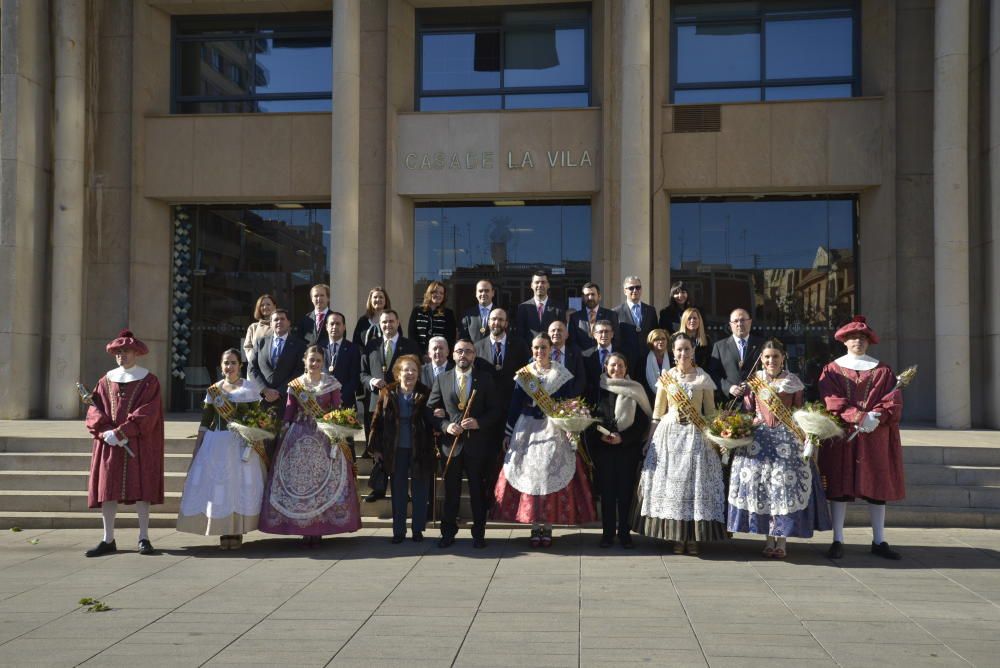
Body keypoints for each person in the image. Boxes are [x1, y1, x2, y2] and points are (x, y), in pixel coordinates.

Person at [727, 339, 832, 558]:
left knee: (782, 489)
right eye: (767, 357)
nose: (771, 360)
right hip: (760, 440)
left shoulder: (793, 381)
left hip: (786, 440)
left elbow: (798, 412)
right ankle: (768, 539)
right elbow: (749, 410)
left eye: (775, 356)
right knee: (764, 489)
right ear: (762, 360)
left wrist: (806, 438)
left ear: (783, 357)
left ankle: (782, 541)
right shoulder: (755, 381)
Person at [493, 334, 597, 547]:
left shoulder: (560, 373)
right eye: (536, 348)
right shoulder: (525, 374)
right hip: (527, 428)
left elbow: (568, 403)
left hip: (553, 428)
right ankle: (534, 526)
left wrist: (571, 428)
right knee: (531, 476)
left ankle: (547, 525)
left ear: (551, 349)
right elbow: (514, 405)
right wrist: (508, 433)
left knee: (548, 474)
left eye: (543, 348)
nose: (539, 352)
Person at [819, 316, 906, 560]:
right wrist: (858, 416)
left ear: (869, 342)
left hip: (875, 437)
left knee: (877, 486)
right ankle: (838, 539)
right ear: (844, 341)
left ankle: (879, 540)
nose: (858, 341)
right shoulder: (832, 369)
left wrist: (878, 416)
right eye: (853, 337)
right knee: (839, 486)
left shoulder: (883, 370)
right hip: (842, 436)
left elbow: (894, 401)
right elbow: (831, 400)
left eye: (862, 338)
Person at [259, 345, 361, 546]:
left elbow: (336, 409)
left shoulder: (331, 383)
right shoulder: (295, 385)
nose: (314, 364)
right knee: (300, 483)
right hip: (298, 436)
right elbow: (289, 410)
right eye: (311, 360)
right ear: (304, 361)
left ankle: (320, 527)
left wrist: (336, 428)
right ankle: (302, 527)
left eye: (318, 361)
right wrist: (284, 431)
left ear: (323, 363)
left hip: (324, 436)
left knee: (323, 481)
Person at [634, 333, 726, 555]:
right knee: (672, 486)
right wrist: (649, 440)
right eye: (679, 350)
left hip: (696, 437)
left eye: (686, 349)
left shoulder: (703, 378)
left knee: (694, 486)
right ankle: (677, 536)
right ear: (672, 353)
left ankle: (693, 537)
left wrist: (718, 437)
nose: (683, 353)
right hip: (669, 436)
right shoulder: (667, 377)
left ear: (693, 350)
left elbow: (711, 412)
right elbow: (658, 412)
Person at [83, 330, 164, 557]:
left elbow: (149, 412)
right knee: (107, 489)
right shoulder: (105, 380)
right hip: (110, 445)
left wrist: (124, 431)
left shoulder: (149, 381)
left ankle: (144, 537)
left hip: (138, 443)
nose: (122, 356)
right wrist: (105, 431)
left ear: (136, 353)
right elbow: (94, 409)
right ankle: (108, 539)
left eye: (126, 351)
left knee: (142, 490)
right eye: (118, 352)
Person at [177, 349, 267, 550]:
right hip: (216, 444)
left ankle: (236, 531)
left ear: (240, 366)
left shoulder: (250, 389)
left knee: (238, 487)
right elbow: (205, 422)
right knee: (220, 489)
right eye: (226, 363)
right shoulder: (214, 391)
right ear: (221, 365)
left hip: (241, 446)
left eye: (233, 363)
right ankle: (223, 531)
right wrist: (197, 448)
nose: (229, 367)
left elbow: (258, 420)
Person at [429, 338, 503, 548]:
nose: (464, 355)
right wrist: (445, 426)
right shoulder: (442, 379)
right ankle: (448, 533)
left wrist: (479, 422)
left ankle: (479, 534)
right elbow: (430, 409)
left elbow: (496, 410)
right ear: (452, 354)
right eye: (460, 351)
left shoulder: (485, 379)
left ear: (474, 356)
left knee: (477, 492)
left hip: (477, 446)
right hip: (450, 446)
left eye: (468, 352)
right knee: (451, 492)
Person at [583, 352, 651, 548]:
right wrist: (600, 434)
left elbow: (642, 423)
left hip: (626, 450)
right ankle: (607, 534)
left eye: (621, 365)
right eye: (613, 365)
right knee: (607, 494)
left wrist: (624, 437)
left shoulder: (636, 389)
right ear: (606, 367)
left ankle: (624, 534)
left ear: (626, 368)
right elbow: (589, 418)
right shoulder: (597, 389)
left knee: (625, 493)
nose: (617, 369)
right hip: (603, 450)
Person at [367, 354, 436, 543]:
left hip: (419, 448)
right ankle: (399, 531)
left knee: (420, 490)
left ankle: (417, 530)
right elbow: (377, 422)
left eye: (414, 370)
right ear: (398, 373)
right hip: (395, 449)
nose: (410, 373)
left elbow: (432, 420)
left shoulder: (426, 393)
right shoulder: (388, 392)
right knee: (398, 490)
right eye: (406, 369)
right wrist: (376, 449)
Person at [360, 310, 422, 501]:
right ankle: (378, 487)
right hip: (376, 404)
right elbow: (362, 373)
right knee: (378, 444)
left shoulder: (409, 345)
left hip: (402, 404)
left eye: (391, 322)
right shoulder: (371, 345)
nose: (388, 325)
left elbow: (417, 372)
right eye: (384, 322)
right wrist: (371, 381)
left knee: (401, 448)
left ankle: (407, 489)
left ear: (398, 322)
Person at [249, 309, 306, 437]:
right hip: (263, 399)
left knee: (283, 439)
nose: (279, 322)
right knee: (264, 439)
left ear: (289, 323)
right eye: (275, 319)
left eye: (282, 319)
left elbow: (299, 371)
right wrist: (264, 389)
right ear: (270, 324)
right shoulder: (260, 342)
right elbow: (252, 368)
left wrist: (280, 391)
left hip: (287, 400)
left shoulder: (299, 345)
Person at [708, 308, 765, 403]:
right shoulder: (719, 346)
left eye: (743, 320)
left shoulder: (762, 344)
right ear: (730, 325)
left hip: (757, 402)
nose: (739, 324)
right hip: (729, 403)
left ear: (750, 322)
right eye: (735, 321)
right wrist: (729, 388)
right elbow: (713, 374)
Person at [613, 276, 657, 373]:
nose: (635, 290)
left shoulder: (650, 310)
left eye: (638, 287)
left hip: (647, 359)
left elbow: (655, 334)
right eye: (631, 288)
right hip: (626, 361)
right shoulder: (616, 312)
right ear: (625, 291)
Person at [514, 270, 566, 345]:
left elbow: (561, 332)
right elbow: (520, 334)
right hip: (529, 352)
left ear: (548, 285)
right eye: (537, 282)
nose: (540, 285)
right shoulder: (523, 307)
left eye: (543, 282)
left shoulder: (559, 307)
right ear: (531, 285)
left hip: (551, 352)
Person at [408, 280, 458, 354]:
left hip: (440, 355)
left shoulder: (448, 313)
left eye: (441, 293)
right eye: (435, 292)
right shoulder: (417, 311)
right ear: (429, 293)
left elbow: (451, 338)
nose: (438, 295)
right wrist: (421, 354)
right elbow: (412, 335)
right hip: (419, 355)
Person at [324, 311, 361, 408]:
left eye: (338, 324)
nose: (334, 327)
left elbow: (355, 378)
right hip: (322, 402)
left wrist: (339, 398)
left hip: (346, 402)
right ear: (326, 327)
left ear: (344, 327)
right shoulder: (319, 348)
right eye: (332, 324)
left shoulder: (353, 349)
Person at [568, 282, 619, 351]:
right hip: (582, 359)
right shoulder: (575, 317)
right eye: (587, 295)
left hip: (604, 357)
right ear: (583, 298)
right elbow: (572, 341)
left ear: (599, 296)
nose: (590, 297)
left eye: (593, 294)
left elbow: (616, 339)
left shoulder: (610, 315)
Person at [582, 319, 620, 404]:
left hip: (616, 401)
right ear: (594, 335)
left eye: (607, 331)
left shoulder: (622, 354)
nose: (604, 335)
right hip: (592, 402)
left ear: (612, 334)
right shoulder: (585, 355)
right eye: (600, 332)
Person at [548, 320, 586, 398]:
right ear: (548, 334)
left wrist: (569, 399)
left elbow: (580, 379)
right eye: (553, 330)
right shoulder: (542, 353)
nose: (556, 333)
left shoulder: (575, 353)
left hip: (569, 402)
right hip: (546, 401)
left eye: (559, 330)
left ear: (567, 335)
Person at [243, 293, 276, 367]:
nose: (265, 307)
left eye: (268, 304)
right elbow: (247, 347)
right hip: (255, 368)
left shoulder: (279, 326)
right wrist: (254, 361)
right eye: (262, 305)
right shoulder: (253, 327)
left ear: (274, 306)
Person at [459, 279, 497, 344]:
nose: (483, 293)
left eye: (487, 291)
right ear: (476, 294)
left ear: (493, 293)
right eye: (480, 291)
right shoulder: (467, 315)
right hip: (474, 353)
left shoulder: (501, 314)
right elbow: (463, 340)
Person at [298, 283, 331, 348]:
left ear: (328, 298)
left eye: (322, 295)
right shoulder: (305, 319)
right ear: (312, 299)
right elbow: (300, 340)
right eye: (316, 296)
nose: (319, 299)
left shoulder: (336, 318)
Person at [643, 329, 671, 399]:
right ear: (651, 342)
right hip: (649, 399)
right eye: (656, 339)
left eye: (663, 339)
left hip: (671, 398)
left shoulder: (673, 358)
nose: (661, 341)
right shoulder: (643, 361)